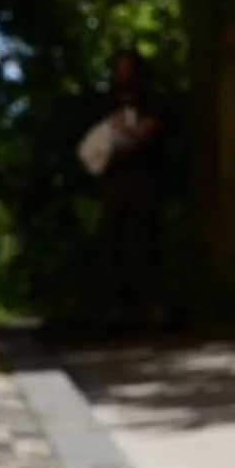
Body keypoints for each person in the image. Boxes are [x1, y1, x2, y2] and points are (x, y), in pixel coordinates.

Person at [78, 49, 167, 327]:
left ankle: (151, 303)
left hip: (145, 178)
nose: (124, 74)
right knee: (112, 241)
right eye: (120, 69)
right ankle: (113, 305)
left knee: (146, 239)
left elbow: (148, 133)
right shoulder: (106, 104)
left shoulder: (151, 101)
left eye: (129, 68)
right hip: (114, 180)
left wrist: (129, 133)